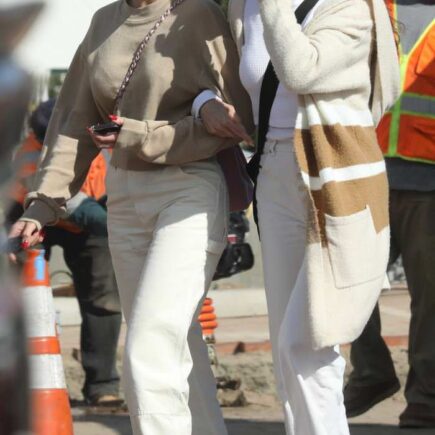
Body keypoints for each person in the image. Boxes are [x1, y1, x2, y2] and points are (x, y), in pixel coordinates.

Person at [8, 0, 254, 433]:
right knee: (178, 343)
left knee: (150, 343)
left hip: (189, 186)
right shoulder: (104, 21)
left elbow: (242, 119)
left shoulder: (199, 14)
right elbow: (72, 120)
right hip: (123, 196)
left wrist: (141, 135)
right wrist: (42, 204)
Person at [197, 0, 400, 433]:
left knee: (306, 342)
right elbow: (240, 86)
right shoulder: (243, 6)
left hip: (335, 177)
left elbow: (300, 69)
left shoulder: (348, 6)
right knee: (288, 350)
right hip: (271, 174)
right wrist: (203, 103)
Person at [344, 1, 435, 428]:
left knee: (430, 300)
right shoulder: (372, 8)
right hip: (367, 172)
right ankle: (372, 373)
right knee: (347, 285)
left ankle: (427, 397)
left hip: (429, 182)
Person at [6, 99, 123, 407]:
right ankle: (20, 387)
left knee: (104, 299)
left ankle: (102, 385)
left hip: (94, 211)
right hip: (33, 217)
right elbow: (68, 205)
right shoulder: (31, 155)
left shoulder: (99, 135)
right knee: (18, 300)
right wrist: (119, 230)